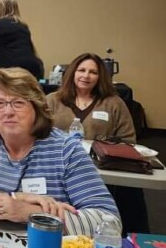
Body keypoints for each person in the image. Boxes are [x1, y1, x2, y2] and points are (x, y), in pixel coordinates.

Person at [0, 68, 119, 236]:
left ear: (37, 107)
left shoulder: (66, 150)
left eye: (18, 103)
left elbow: (109, 221)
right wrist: (16, 198)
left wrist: (32, 214)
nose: (8, 111)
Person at [46, 53, 145, 232]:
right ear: (72, 73)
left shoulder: (113, 103)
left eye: (93, 72)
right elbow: (38, 132)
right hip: (58, 164)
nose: (86, 76)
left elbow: (128, 139)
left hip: (101, 167)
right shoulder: (53, 100)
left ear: (100, 77)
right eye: (81, 70)